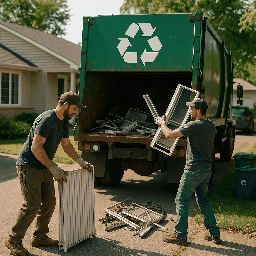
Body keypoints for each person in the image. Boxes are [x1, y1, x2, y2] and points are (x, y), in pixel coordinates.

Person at [5, 91, 93, 256]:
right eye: (75, 108)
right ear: (65, 105)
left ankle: (40, 237)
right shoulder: (47, 119)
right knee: (32, 205)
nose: (76, 112)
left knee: (49, 202)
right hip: (29, 165)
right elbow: (35, 147)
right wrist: (53, 167)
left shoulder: (63, 122)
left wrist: (80, 161)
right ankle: (13, 240)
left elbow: (66, 145)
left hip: (44, 165)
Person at [154, 98, 220, 246]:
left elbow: (169, 135)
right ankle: (214, 233)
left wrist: (162, 123)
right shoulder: (211, 126)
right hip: (206, 169)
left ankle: (180, 236)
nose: (190, 111)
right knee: (203, 200)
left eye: (191, 109)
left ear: (198, 110)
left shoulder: (193, 126)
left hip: (193, 169)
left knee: (181, 200)